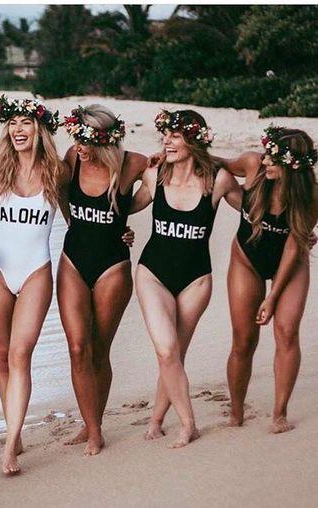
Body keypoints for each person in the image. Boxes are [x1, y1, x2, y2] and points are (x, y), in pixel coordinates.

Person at [131, 109, 241, 447]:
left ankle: (156, 420)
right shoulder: (154, 176)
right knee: (166, 350)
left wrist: (300, 226)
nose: (167, 141)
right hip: (153, 274)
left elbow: (256, 210)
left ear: (194, 140)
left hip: (196, 280)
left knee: (173, 355)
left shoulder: (218, 180)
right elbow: (121, 207)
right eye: (165, 134)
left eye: (175, 135)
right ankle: (188, 423)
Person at [0, 96, 63, 474]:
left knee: (19, 354)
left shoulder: (57, 172)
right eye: (12, 123)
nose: (18, 129)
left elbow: (84, 216)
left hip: (35, 272)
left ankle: (10, 445)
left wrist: (119, 234)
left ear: (39, 128)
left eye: (25, 122)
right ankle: (15, 427)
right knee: (1, 355)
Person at [58, 105, 146, 455]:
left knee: (98, 349)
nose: (79, 146)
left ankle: (93, 422)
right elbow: (58, 192)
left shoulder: (131, 164)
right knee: (77, 347)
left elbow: (170, 178)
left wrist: (127, 212)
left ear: (104, 140)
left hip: (113, 266)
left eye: (85, 140)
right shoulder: (72, 158)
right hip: (73, 261)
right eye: (76, 138)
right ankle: (92, 429)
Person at [217, 126, 317, 432]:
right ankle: (236, 412)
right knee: (244, 339)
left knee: (286, 332)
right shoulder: (253, 165)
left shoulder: (311, 194)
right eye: (267, 153)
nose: (266, 161)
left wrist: (272, 298)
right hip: (247, 259)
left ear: (292, 165)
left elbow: (293, 246)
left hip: (291, 262)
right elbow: (218, 163)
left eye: (274, 158)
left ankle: (279, 414)